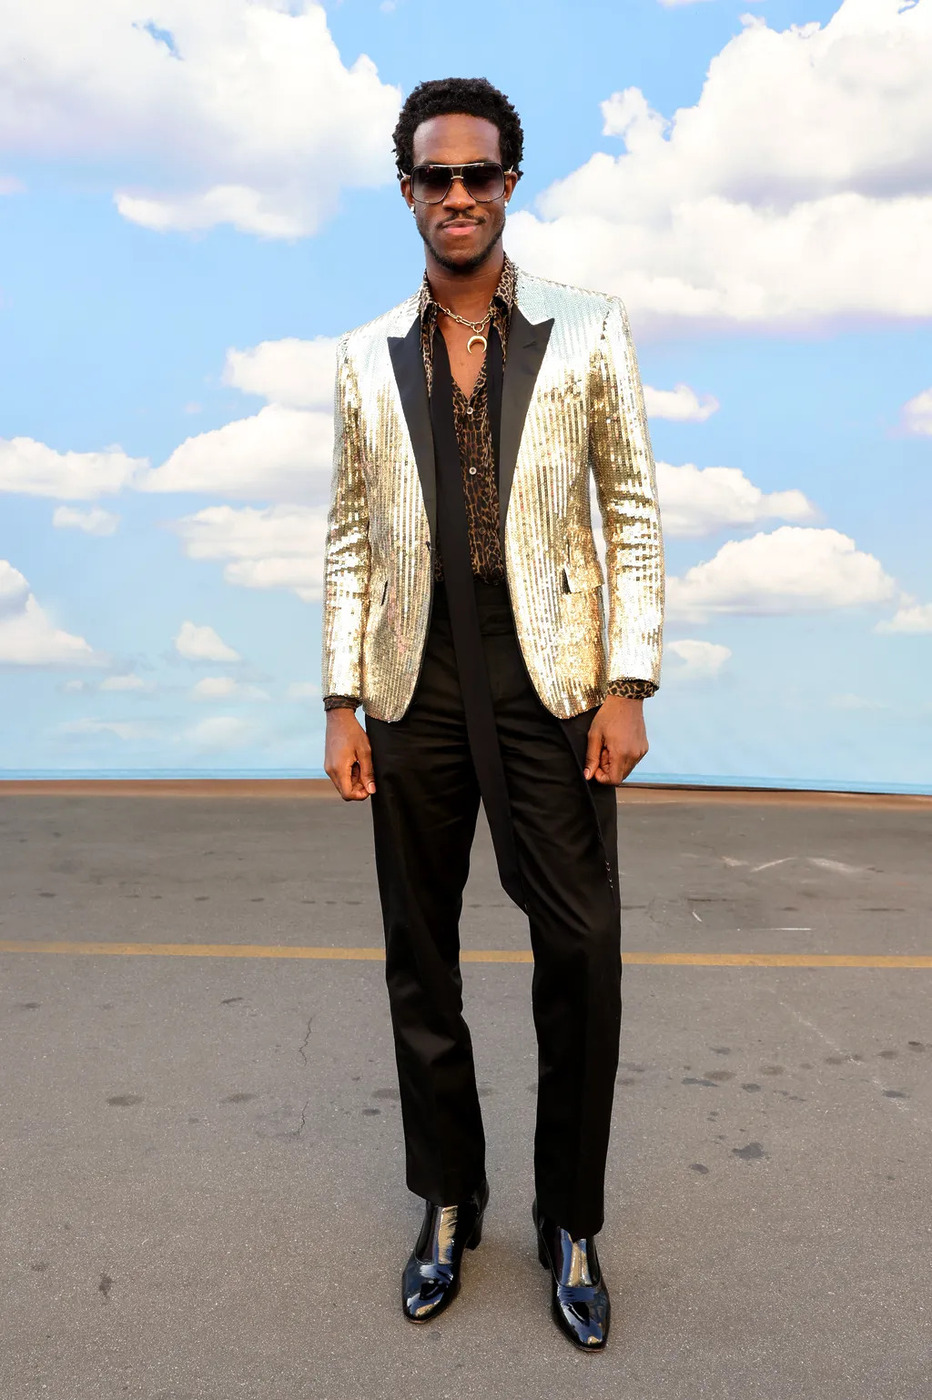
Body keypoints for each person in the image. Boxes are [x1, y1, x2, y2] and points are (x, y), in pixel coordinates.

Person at [321, 77, 664, 1351]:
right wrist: (341, 698)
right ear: (407, 189)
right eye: (434, 176)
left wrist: (626, 680)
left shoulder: (586, 327)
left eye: (477, 174)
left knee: (581, 949)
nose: (456, 194)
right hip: (411, 680)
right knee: (421, 954)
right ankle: (448, 1199)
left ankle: (568, 1216)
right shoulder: (362, 352)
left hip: (549, 677)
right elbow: (350, 533)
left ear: (509, 183)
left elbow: (628, 507)